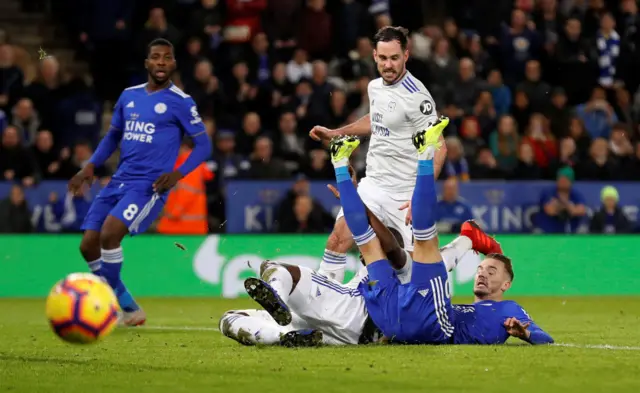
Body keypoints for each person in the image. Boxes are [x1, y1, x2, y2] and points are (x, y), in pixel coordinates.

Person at [325, 117, 552, 345]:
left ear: (506, 285)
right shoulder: (457, 308)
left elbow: (545, 339)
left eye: (491, 272)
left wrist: (527, 334)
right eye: (481, 269)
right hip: (402, 318)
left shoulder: (509, 309)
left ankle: (346, 162)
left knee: (393, 249)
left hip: (423, 324)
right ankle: (348, 164)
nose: (482, 274)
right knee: (378, 249)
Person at [67, 38, 212, 326]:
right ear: (146, 63)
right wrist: (90, 167)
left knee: (110, 234)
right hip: (120, 179)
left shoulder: (181, 102)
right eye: (155, 57)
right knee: (87, 246)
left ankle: (102, 303)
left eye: (167, 58)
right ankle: (130, 309)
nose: (161, 62)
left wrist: (177, 175)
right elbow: (112, 136)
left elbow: (204, 145)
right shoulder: (128, 96)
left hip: (149, 185)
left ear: (173, 64)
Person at [308, 26, 446, 283]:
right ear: (374, 56)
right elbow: (377, 119)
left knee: (410, 276)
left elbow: (440, 146)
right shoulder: (374, 87)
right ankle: (320, 307)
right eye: (383, 58)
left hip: (404, 195)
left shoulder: (417, 97)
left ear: (406, 55)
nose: (388, 65)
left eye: (394, 58)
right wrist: (336, 133)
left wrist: (420, 195)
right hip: (373, 186)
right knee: (338, 239)